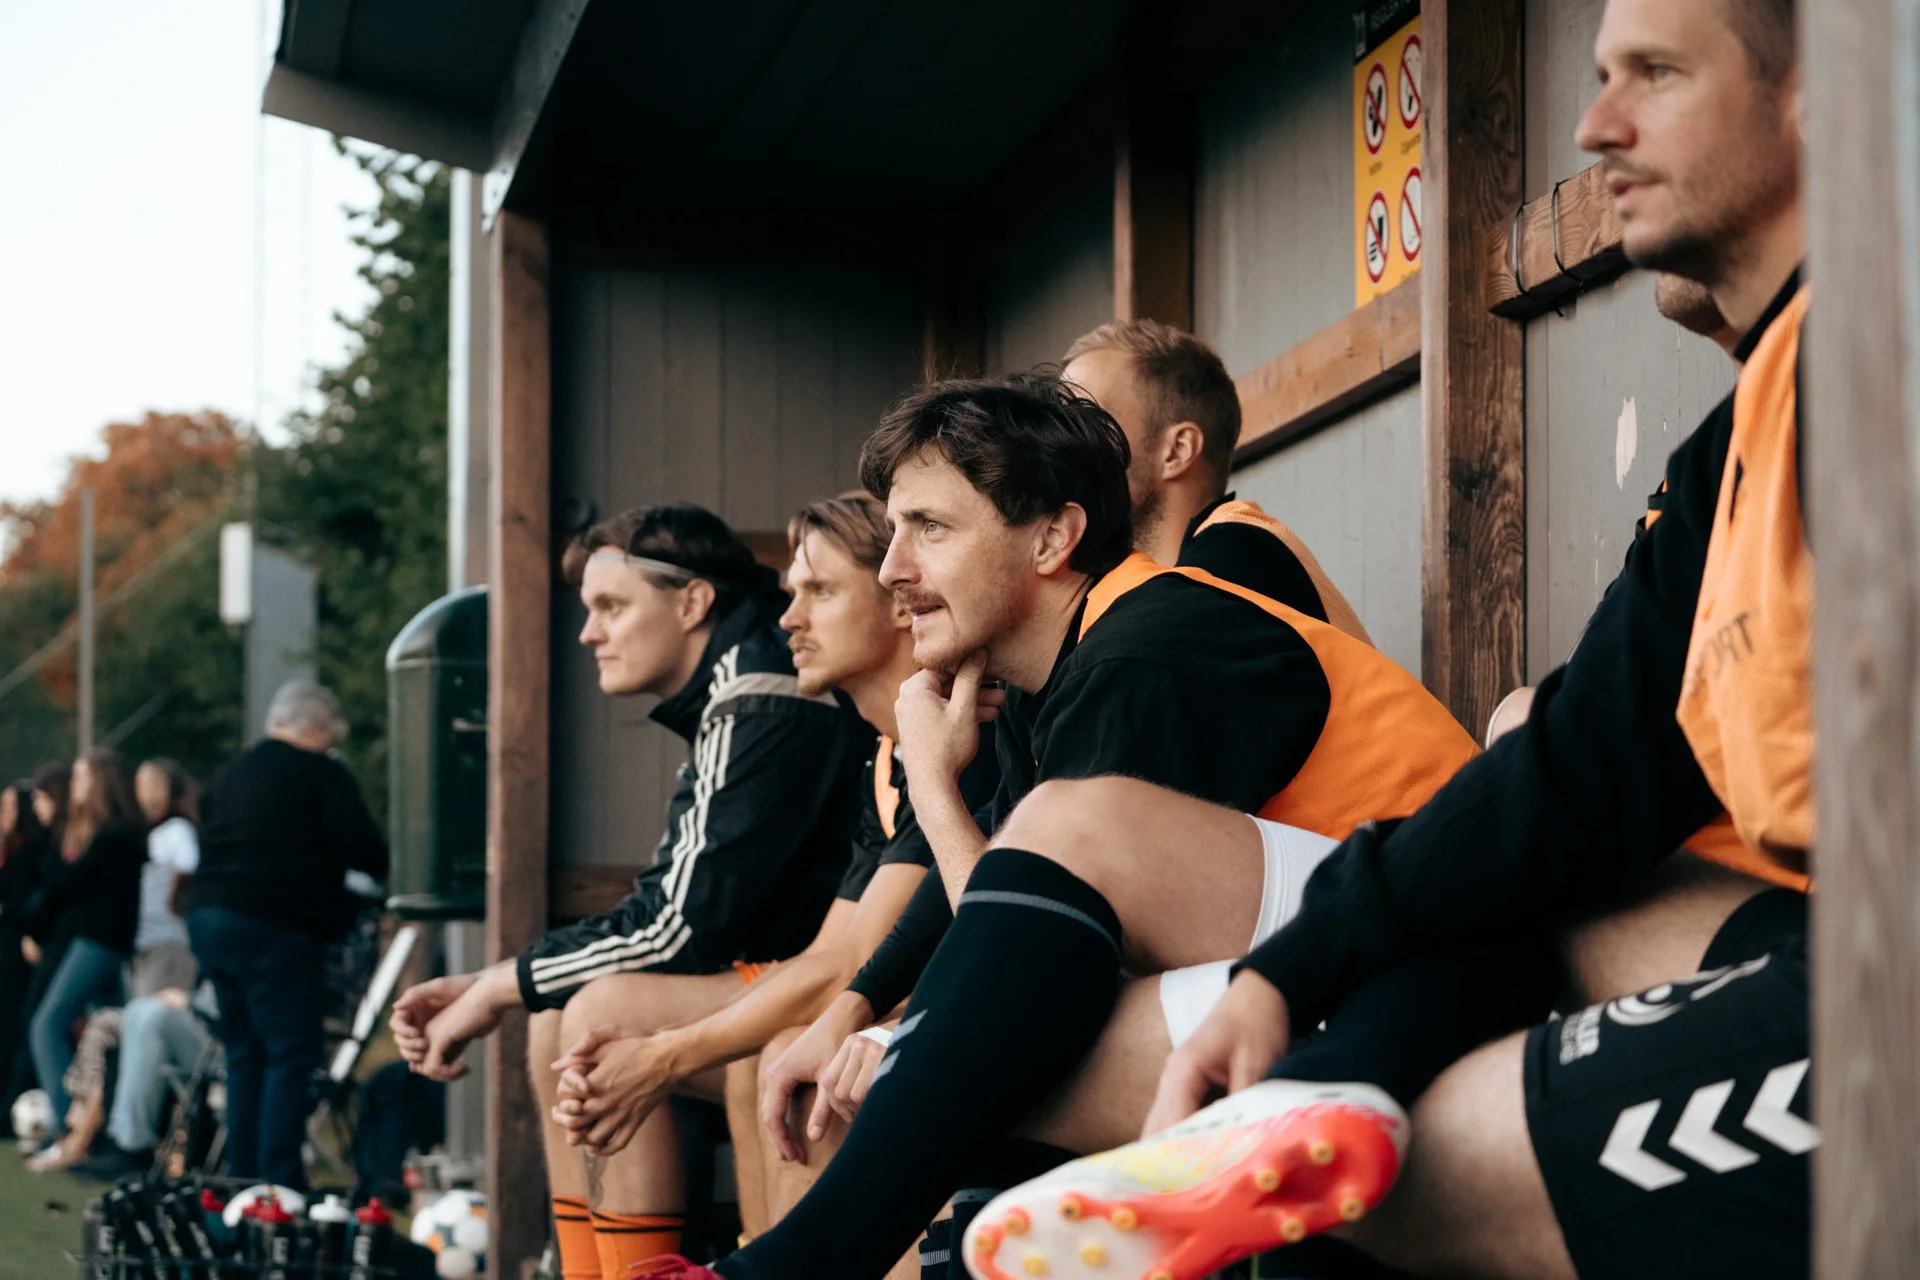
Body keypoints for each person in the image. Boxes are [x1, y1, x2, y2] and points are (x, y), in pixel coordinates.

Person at [972, 4, 1814, 1279]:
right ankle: (1317, 1085)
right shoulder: (1743, 436)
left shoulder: (1888, 359)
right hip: (1793, 939)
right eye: (1596, 77)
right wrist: (1293, 973)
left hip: (1875, 1003)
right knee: (1512, 866)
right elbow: (1578, 775)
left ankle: (1313, 1097)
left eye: (1656, 73)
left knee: (1430, 1150)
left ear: (1821, 96)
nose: (1594, 126)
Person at [640, 371, 1476, 1280]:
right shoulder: (1063, 667)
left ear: (1053, 536)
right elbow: (1005, 885)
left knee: (1001, 1044)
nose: (893, 570)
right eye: (894, 531)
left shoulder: (1149, 651)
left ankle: (792, 1267)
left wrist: (928, 779)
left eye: (931, 528)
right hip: (1323, 954)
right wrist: (851, 1007)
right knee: (941, 1072)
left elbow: (1037, 958)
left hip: (1448, 959)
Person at [389, 504, 872, 1277]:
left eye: (610, 606)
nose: (588, 633)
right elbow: (674, 906)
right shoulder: (736, 686)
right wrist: (504, 986)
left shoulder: (764, 691)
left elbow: (681, 926)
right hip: (788, 979)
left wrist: (492, 987)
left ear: (691, 602)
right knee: (560, 1024)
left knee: (601, 1016)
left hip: (835, 991)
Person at [533, 494, 998, 1276]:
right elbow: (837, 951)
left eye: (819, 592)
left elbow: (848, 965)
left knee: (776, 1050)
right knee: (712, 1042)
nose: (789, 620)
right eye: (790, 594)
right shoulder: (881, 756)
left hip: (978, 1024)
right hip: (869, 1005)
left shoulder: (953, 736)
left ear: (898, 603)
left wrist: (664, 1057)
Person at [184, 679, 389, 1191]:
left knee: (243, 1051)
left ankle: (241, 1178)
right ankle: (278, 1181)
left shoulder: (231, 773)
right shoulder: (320, 773)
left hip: (210, 916)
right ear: (316, 727)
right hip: (275, 924)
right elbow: (366, 849)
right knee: (289, 1052)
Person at [26, 749, 145, 1163]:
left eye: (81, 778)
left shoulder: (114, 838)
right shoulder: (112, 835)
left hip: (98, 944)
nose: (74, 788)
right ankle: (98, 1126)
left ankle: (69, 1125)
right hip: (100, 943)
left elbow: (69, 882)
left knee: (47, 1025)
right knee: (106, 1039)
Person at [0, 776, 54, 1114]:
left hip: (15, 951)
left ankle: (11, 1105)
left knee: (16, 1025)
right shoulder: (12, 850)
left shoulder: (32, 852)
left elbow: (34, 899)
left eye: (6, 805)